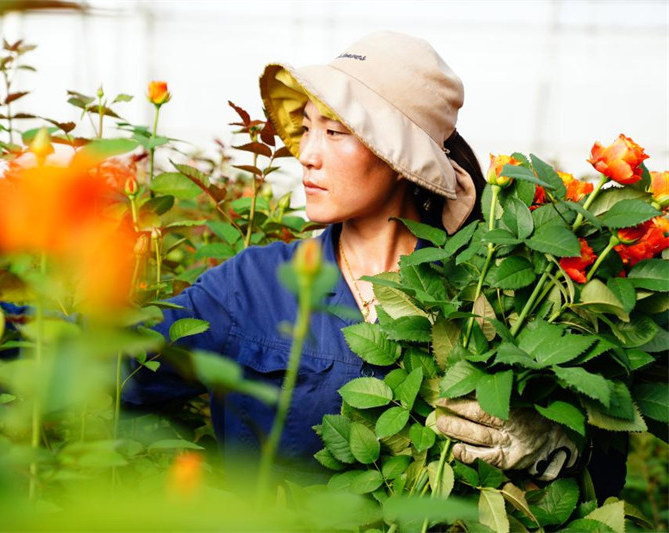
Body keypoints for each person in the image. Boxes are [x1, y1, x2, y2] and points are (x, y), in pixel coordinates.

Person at [122, 31, 624, 494]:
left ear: (400, 156)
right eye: (305, 128)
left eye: (336, 132)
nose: (307, 155)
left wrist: (555, 449)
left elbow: (602, 471)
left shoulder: (497, 291)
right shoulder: (250, 286)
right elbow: (110, 364)